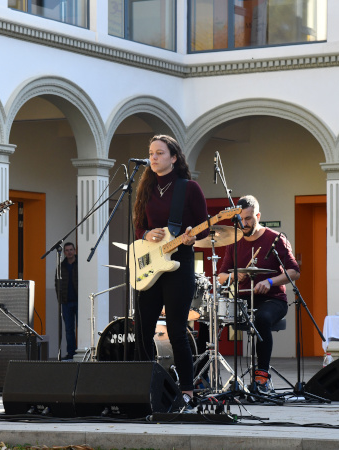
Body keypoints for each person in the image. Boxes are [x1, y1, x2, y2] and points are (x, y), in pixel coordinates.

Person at [133, 135, 209, 409]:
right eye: (151, 153)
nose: (153, 157)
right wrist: (145, 233)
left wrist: (191, 237)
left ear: (174, 157)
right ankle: (144, 385)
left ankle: (187, 391)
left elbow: (206, 227)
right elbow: (138, 226)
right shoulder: (146, 187)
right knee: (141, 327)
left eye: (159, 153)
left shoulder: (188, 188)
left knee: (177, 330)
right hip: (151, 265)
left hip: (180, 265)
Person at [217, 195, 300, 394]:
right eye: (241, 220)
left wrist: (270, 281)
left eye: (248, 219)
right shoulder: (234, 242)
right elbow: (221, 276)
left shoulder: (275, 239)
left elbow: (294, 271)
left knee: (262, 318)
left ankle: (261, 376)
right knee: (210, 317)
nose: (244, 224)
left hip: (273, 300)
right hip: (243, 299)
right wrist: (234, 275)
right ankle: (201, 378)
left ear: (258, 215)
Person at [55, 242, 78, 360]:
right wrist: (60, 299)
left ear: (75, 250)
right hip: (66, 302)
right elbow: (56, 283)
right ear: (64, 252)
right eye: (67, 250)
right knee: (69, 329)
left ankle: (82, 352)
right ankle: (71, 353)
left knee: (81, 327)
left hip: (79, 301)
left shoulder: (80, 264)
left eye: (71, 250)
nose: (69, 252)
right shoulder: (61, 266)